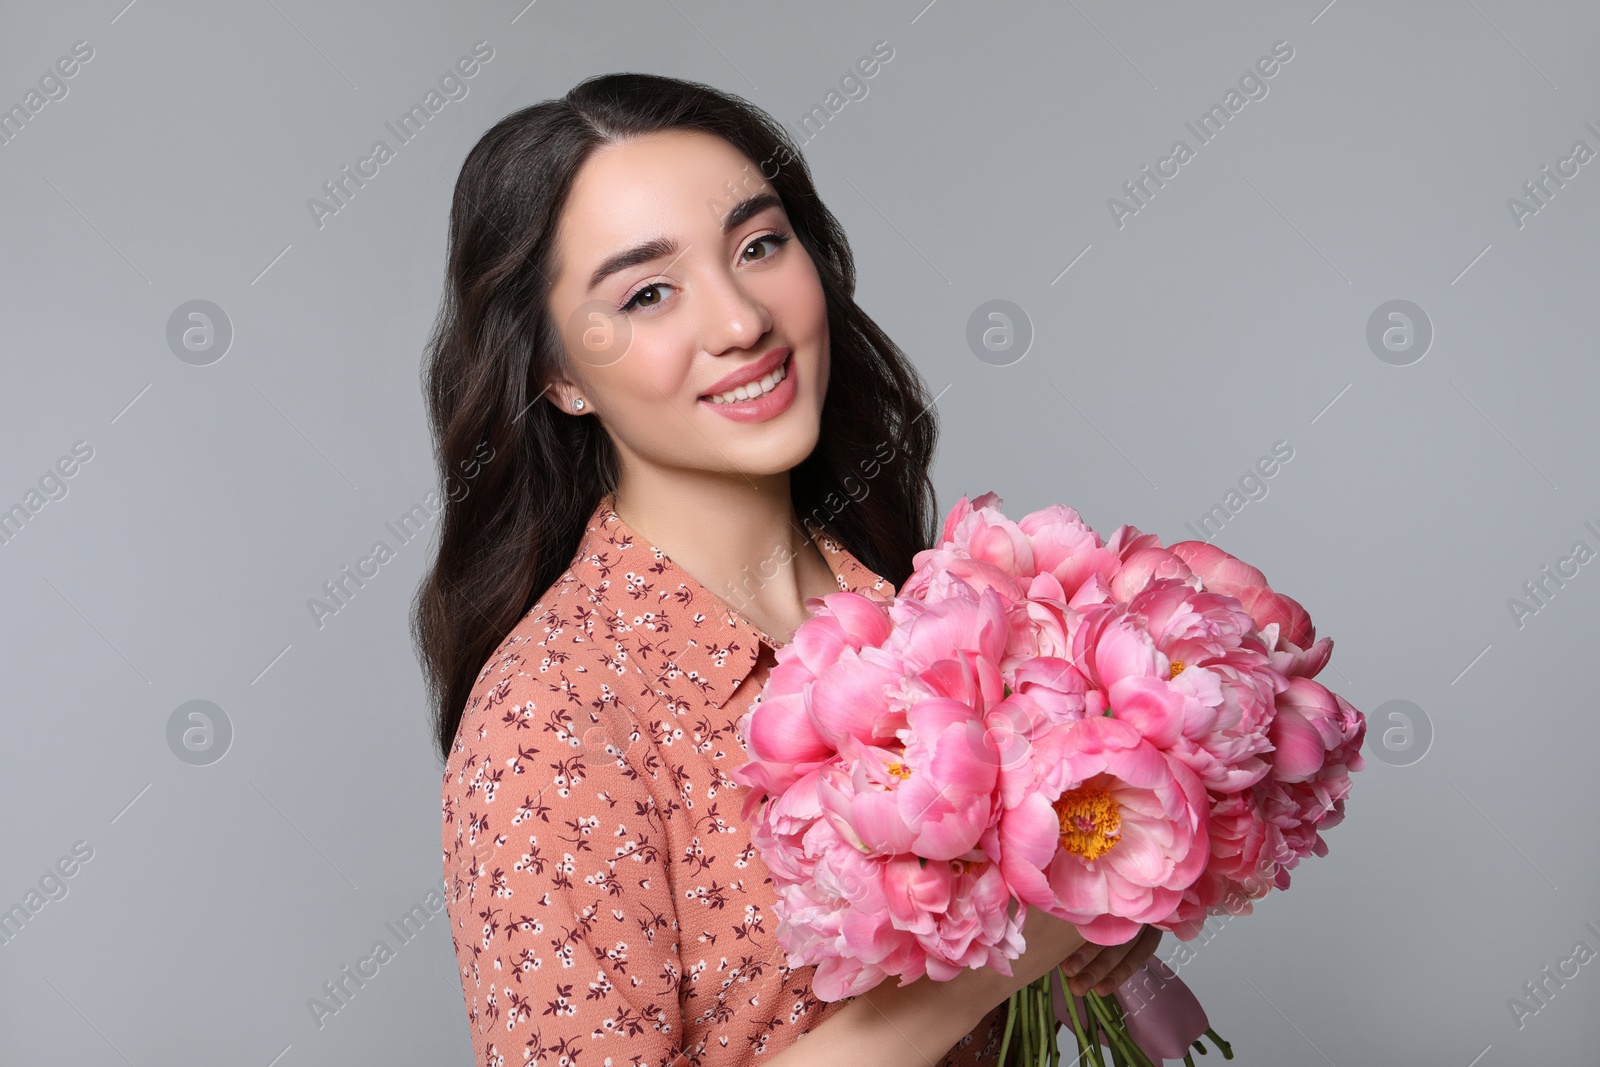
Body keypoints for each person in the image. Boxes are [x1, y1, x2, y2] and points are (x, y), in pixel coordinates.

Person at [413, 71, 1162, 1067]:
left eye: (758, 245)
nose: (738, 321)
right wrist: (1005, 956)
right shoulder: (553, 719)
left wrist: (1116, 886)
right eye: (647, 293)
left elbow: (1047, 999)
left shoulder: (942, 613)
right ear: (558, 374)